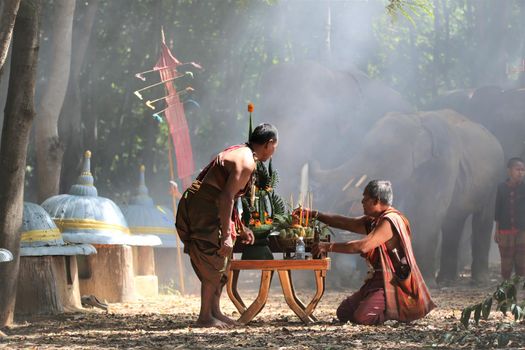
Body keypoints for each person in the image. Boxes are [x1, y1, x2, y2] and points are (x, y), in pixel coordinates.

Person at [176, 123, 278, 328]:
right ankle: (205, 316)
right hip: (203, 208)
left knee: (223, 260)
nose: (274, 151)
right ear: (269, 144)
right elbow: (226, 197)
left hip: (208, 206)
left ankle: (215, 311)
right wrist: (226, 236)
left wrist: (239, 228)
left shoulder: (242, 152)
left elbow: (226, 196)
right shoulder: (247, 162)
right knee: (215, 255)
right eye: (275, 146)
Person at [297, 180, 435, 325]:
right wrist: (314, 214)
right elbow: (345, 223)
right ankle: (377, 304)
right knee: (343, 312)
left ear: (376, 200)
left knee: (362, 318)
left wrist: (329, 246)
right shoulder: (376, 220)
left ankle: (397, 312)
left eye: (365, 198)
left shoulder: (390, 220)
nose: (361, 201)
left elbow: (363, 246)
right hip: (377, 279)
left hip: (392, 281)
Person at [494, 157, 525, 280]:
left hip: (522, 231)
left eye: (523, 170)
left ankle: (520, 287)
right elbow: (498, 210)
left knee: (522, 261)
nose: (521, 173)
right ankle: (506, 289)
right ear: (509, 171)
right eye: (517, 169)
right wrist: (496, 231)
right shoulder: (501, 188)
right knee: (506, 262)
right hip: (505, 231)